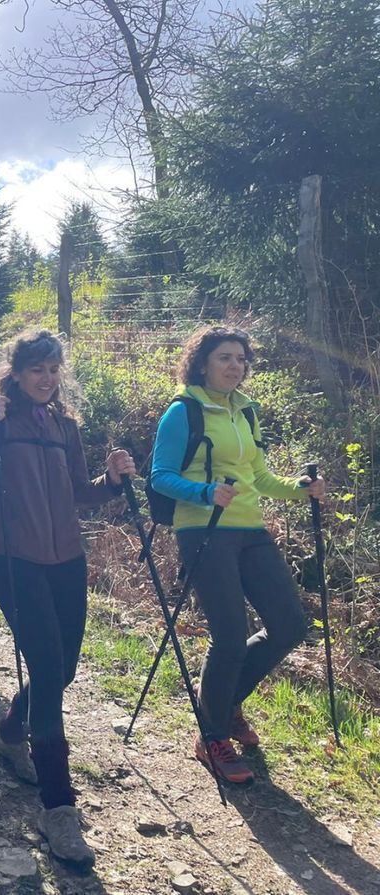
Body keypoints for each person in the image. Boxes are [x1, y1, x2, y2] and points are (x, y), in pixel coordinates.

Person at [0, 329, 134, 869]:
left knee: (61, 669)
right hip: (14, 558)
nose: (46, 378)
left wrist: (110, 482)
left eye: (53, 369)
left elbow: (77, 492)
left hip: (66, 557)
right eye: (36, 369)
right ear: (16, 373)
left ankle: (10, 728)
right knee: (47, 668)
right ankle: (58, 806)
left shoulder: (65, 425)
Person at [150, 325, 326, 784]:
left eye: (241, 359)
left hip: (251, 528)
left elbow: (260, 477)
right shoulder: (183, 411)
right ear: (203, 362)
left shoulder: (245, 411)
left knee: (289, 625)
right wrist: (206, 491)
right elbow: (160, 476)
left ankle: (221, 706)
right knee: (229, 635)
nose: (235, 366)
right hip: (203, 529)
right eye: (225, 357)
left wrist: (299, 489)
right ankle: (211, 736)